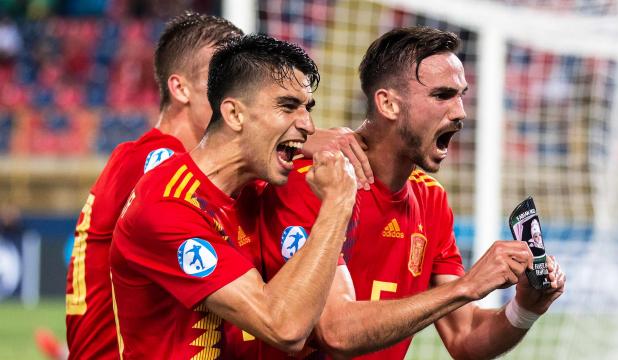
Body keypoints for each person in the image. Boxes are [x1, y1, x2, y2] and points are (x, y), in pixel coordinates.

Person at [243, 26, 565, 359]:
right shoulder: (313, 181)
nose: (460, 113)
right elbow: (336, 332)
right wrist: (467, 286)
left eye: (461, 95)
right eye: (442, 96)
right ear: (388, 104)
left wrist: (524, 309)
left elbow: (464, 336)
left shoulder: (431, 199)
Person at [110, 34, 358, 359]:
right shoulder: (166, 205)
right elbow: (284, 328)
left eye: (307, 108)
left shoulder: (254, 192)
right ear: (235, 114)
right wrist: (337, 204)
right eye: (288, 106)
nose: (309, 125)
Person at [64, 12, 245, 359]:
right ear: (180, 88)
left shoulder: (140, 158)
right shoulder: (160, 161)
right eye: (221, 78)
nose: (235, 95)